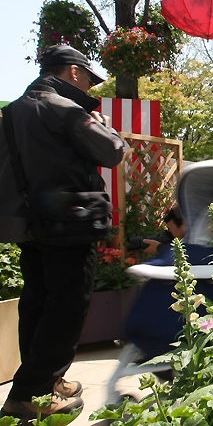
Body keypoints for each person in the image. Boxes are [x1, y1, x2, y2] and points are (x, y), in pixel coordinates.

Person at [0, 45, 124, 421]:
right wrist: (101, 122)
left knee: (37, 301)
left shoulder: (10, 114)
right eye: (87, 77)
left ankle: (47, 382)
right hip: (68, 220)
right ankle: (31, 392)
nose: (88, 85)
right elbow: (113, 150)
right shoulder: (66, 109)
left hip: (27, 222)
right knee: (67, 304)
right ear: (73, 72)